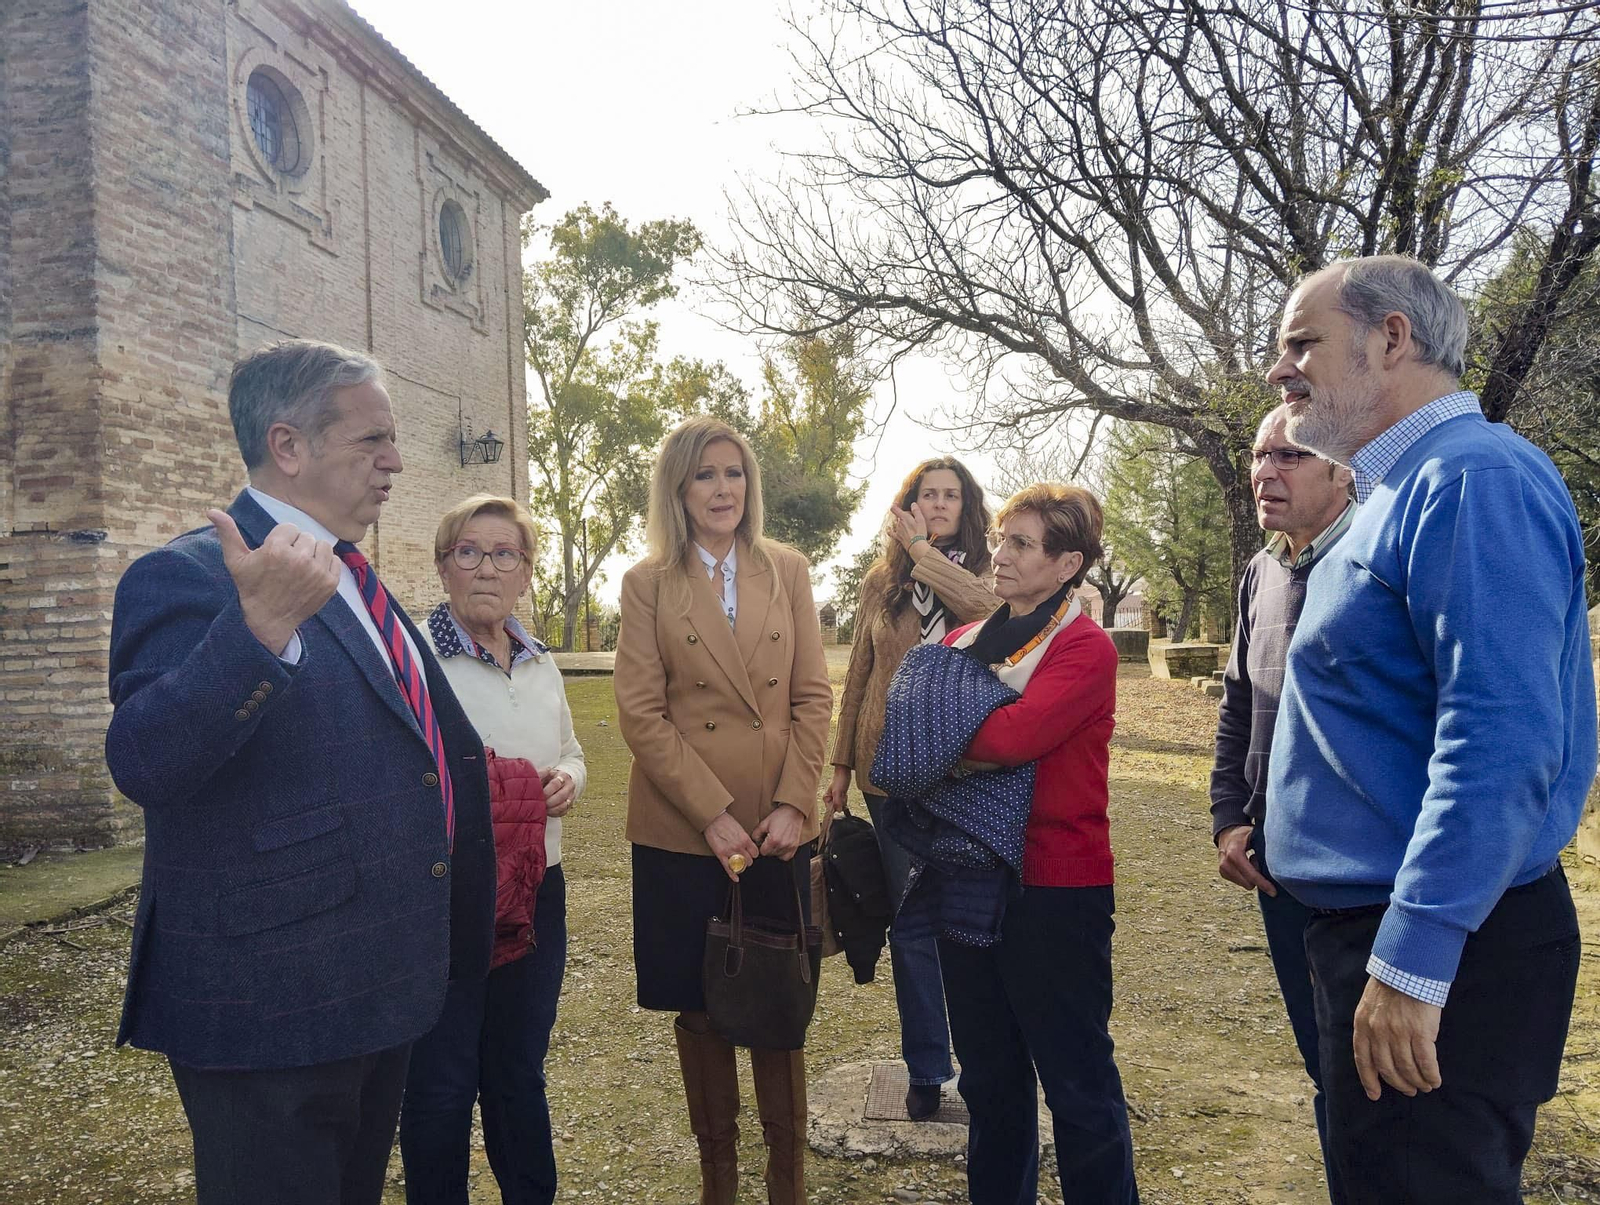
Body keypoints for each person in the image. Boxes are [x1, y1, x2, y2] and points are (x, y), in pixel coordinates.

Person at [104, 340, 494, 1205]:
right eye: (371, 441)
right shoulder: (186, 575)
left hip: (376, 988)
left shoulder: (358, 575)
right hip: (269, 1011)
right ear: (288, 445)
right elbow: (144, 759)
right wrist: (258, 631)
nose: (395, 461)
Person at [1265, 255, 1595, 1202]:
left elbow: (1499, 740)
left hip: (1444, 943)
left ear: (1392, 338)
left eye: (1302, 343)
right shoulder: (1394, 491)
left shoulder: (1473, 479)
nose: (1280, 371)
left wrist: (1413, 960)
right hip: (1376, 930)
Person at [614, 415, 832, 1205]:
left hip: (775, 832)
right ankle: (719, 1186)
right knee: (702, 1009)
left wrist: (793, 804)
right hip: (683, 832)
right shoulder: (647, 583)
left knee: (778, 1004)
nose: (723, 489)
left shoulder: (789, 570)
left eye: (734, 474)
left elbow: (811, 698)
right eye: (706, 475)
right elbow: (641, 714)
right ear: (679, 488)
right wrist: (710, 813)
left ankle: (787, 1188)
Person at [936, 483, 1139, 1205]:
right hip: (968, 878)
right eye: (1002, 538)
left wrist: (942, 737)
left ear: (1066, 564)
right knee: (990, 1082)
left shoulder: (1085, 648)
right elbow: (895, 726)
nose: (1002, 554)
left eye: (1021, 543)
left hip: (1056, 890)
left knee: (1078, 1084)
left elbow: (1016, 736)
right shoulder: (966, 639)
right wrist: (945, 736)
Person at [399, 494, 587, 1205]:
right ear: (444, 566)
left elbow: (571, 748)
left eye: (504, 553)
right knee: (442, 1080)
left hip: (540, 889)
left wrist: (568, 777)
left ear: (526, 572)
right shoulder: (417, 661)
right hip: (451, 895)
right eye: (468, 551)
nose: (486, 568)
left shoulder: (539, 661)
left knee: (517, 1069)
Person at [824, 456, 999, 1120]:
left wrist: (924, 552)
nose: (940, 502)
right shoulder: (881, 585)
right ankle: (928, 1066)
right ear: (908, 504)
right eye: (928, 494)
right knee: (914, 922)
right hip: (887, 773)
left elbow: (989, 614)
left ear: (967, 505)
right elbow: (859, 678)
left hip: (964, 772)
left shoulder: (990, 571)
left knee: (973, 919)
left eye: (952, 495)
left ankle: (985, 1064)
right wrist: (840, 768)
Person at [1210, 404, 1353, 1201]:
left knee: (1369, 1076)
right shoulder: (1262, 572)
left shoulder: (1375, 563)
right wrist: (1229, 817)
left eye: (1290, 454)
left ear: (1342, 467)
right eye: (1260, 455)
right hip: (1277, 870)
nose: (1266, 471)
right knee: (1324, 1064)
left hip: (1362, 876)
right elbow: (1237, 703)